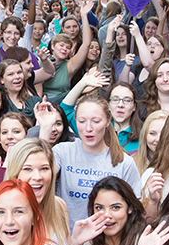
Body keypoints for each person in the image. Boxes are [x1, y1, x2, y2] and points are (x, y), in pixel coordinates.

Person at [36, 94, 141, 225]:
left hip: (105, 239)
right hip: (66, 237)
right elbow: (37, 175)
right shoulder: (63, 151)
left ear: (108, 121)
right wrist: (45, 128)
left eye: (96, 121)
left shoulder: (124, 162)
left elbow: (135, 208)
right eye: (82, 121)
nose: (88, 128)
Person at [4, 138, 70, 245]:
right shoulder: (3, 213)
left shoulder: (59, 206)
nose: (37, 177)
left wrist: (77, 242)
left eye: (44, 168)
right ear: (15, 173)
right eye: (28, 169)